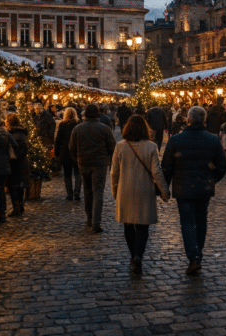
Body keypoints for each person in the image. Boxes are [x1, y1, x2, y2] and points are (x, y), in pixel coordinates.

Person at [161, 106, 226, 275]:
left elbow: (167, 167)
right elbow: (222, 165)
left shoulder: (176, 140)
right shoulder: (212, 140)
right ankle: (198, 254)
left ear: (188, 120)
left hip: (184, 188)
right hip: (203, 187)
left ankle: (193, 256)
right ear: (204, 120)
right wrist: (212, 179)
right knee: (201, 220)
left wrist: (164, 188)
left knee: (187, 222)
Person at [110, 115, 170, 275]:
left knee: (128, 225)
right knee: (143, 226)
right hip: (145, 190)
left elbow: (114, 172)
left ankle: (133, 255)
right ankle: (138, 256)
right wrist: (164, 191)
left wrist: (115, 191)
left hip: (126, 190)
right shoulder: (151, 147)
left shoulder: (120, 146)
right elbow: (156, 172)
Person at [69, 104, 117, 233]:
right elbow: (113, 148)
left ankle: (90, 218)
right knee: (98, 192)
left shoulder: (77, 129)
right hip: (100, 164)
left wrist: (78, 159)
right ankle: (96, 222)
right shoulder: (105, 129)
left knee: (88, 190)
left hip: (84, 163)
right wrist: (111, 162)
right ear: (97, 114)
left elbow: (72, 148)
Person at [54, 107, 81, 201]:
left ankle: (69, 193)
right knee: (78, 172)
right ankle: (77, 191)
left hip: (65, 151)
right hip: (77, 150)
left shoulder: (62, 124)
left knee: (67, 173)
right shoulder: (78, 124)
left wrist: (57, 153)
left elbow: (58, 140)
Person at [5, 113, 29, 217]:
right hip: (21, 162)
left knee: (13, 185)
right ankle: (20, 205)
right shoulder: (21, 132)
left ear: (9, 122)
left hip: (15, 162)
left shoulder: (14, 134)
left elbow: (23, 149)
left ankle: (16, 208)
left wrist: (14, 157)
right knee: (19, 185)